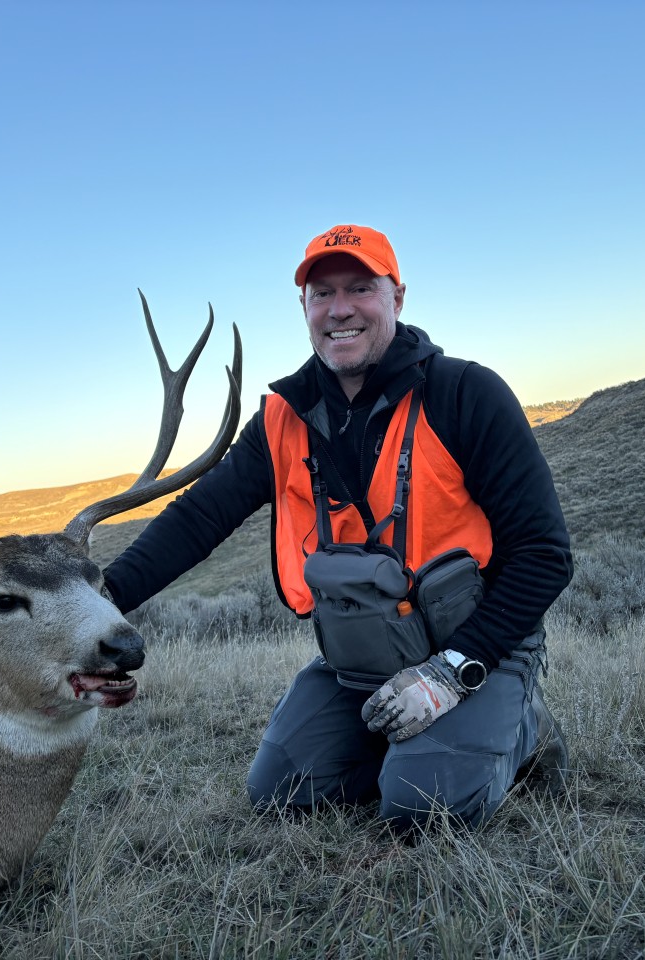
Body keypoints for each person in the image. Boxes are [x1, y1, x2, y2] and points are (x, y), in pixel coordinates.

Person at [103, 224, 573, 833]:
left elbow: (545, 555)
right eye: (321, 293)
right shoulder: (281, 419)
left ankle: (524, 726)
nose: (340, 308)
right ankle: (415, 747)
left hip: (478, 644)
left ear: (397, 299)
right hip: (365, 657)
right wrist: (100, 600)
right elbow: (199, 518)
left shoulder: (465, 394)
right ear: (304, 308)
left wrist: (449, 673)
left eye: (360, 288)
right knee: (280, 789)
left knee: (420, 808)